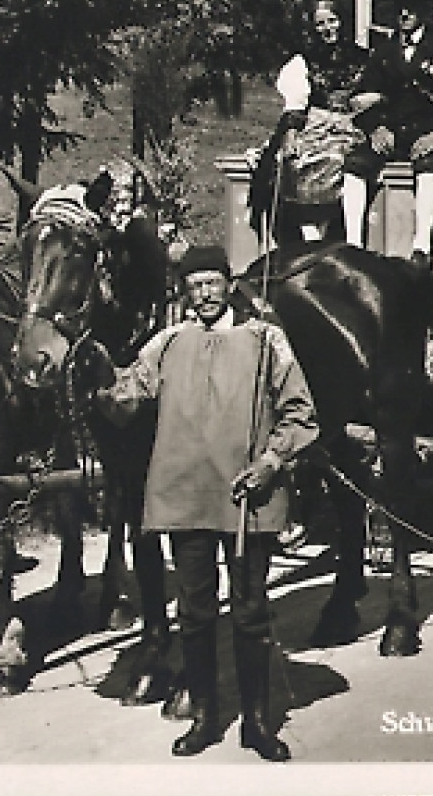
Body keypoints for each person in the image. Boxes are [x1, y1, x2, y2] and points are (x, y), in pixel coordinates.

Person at [92, 245, 318, 762]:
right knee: (193, 613)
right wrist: (98, 379)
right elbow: (128, 397)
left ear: (228, 283)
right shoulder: (168, 342)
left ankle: (258, 723)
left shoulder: (266, 340)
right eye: (194, 287)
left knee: (250, 612)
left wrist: (270, 462)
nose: (204, 295)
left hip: (246, 499)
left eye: (212, 283)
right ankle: (205, 717)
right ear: (185, 292)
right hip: (185, 498)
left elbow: (301, 413)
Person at [345, 4, 433, 270]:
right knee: (354, 165)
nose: (404, 13)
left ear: (423, 12)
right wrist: (375, 128)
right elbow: (361, 100)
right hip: (390, 132)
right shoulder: (382, 52)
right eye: (399, 8)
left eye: (411, 8)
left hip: (428, 130)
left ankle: (421, 249)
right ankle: (353, 249)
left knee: (427, 167)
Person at [264, 0, 375, 242]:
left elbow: (380, 94)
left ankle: (353, 242)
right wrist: (291, 133)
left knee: (338, 161)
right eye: (320, 23)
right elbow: (296, 105)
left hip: (354, 126)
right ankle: (312, 238)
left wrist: (371, 101)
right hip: (315, 124)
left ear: (344, 20)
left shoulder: (365, 58)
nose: (327, 29)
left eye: (332, 21)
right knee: (298, 162)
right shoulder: (303, 61)